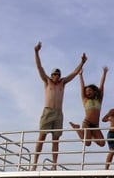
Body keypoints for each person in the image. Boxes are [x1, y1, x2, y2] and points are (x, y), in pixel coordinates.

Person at [32, 41, 87, 170]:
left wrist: (82, 62)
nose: (56, 76)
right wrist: (36, 52)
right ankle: (34, 163)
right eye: (54, 74)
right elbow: (39, 67)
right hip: (48, 111)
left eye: (58, 74)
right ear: (51, 75)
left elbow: (74, 73)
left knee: (55, 140)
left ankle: (54, 165)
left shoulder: (63, 83)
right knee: (42, 137)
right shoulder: (47, 81)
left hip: (58, 113)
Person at [69, 67, 108, 147]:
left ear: (94, 91)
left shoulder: (99, 100)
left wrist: (104, 73)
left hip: (96, 125)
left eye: (89, 90)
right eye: (86, 91)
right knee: (87, 143)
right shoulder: (85, 100)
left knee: (102, 143)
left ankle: (91, 136)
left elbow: (102, 86)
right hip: (87, 123)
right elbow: (82, 87)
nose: (88, 92)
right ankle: (76, 128)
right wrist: (80, 75)